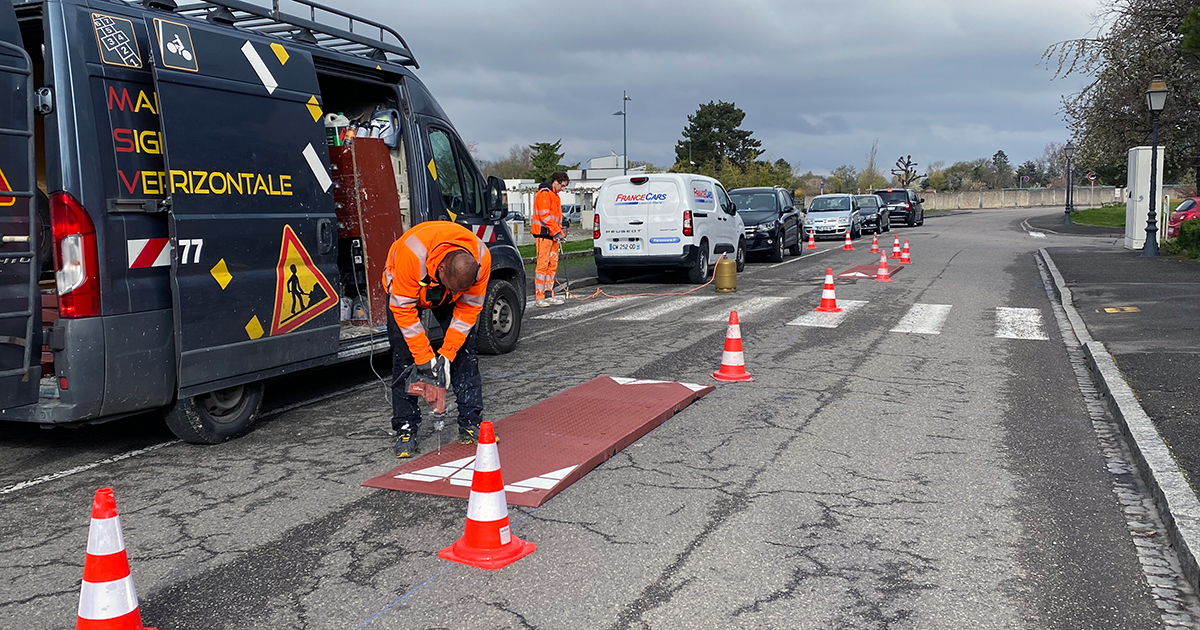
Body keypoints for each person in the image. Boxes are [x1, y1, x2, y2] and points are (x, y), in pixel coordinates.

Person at [383, 220, 491, 458]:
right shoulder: (412, 256)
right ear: (441, 269)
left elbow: (470, 309)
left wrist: (447, 354)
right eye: (451, 288)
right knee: (405, 358)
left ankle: (471, 423)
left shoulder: (481, 260)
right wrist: (424, 358)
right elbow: (403, 310)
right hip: (405, 293)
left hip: (443, 289)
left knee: (466, 353)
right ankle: (405, 427)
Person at [531, 171, 569, 308]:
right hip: (543, 235)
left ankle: (548, 293)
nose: (563, 189)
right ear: (556, 182)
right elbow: (545, 216)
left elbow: (554, 216)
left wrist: (561, 226)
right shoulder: (544, 194)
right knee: (542, 265)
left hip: (552, 235)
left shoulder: (555, 196)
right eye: (562, 186)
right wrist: (557, 231)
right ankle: (539, 296)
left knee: (552, 265)